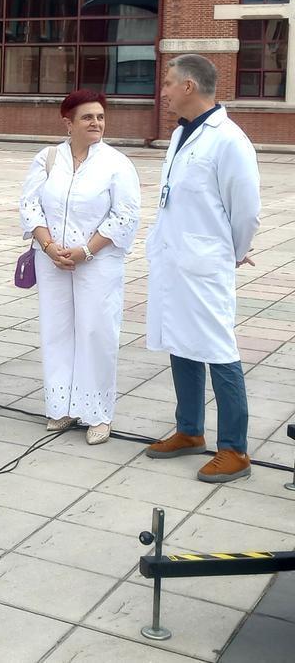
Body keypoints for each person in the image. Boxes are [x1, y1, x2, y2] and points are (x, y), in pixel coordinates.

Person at [144, 54, 261, 483]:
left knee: (217, 349)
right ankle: (190, 430)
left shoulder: (229, 139)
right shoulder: (181, 135)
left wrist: (233, 251)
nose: (164, 90)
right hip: (175, 258)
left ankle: (235, 448)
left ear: (190, 87)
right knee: (181, 341)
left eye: (170, 83)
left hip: (206, 262)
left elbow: (246, 210)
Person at [19, 90, 141, 445]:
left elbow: (126, 215)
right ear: (68, 122)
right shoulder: (47, 158)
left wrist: (87, 250)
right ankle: (61, 406)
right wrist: (49, 246)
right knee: (56, 330)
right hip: (52, 259)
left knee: (96, 332)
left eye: (100, 117)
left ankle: (98, 414)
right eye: (88, 117)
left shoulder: (116, 163)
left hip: (98, 263)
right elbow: (29, 205)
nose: (96, 123)